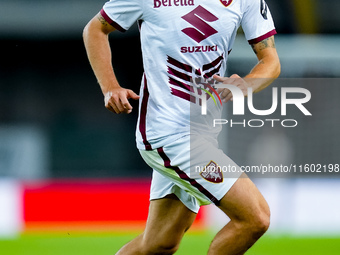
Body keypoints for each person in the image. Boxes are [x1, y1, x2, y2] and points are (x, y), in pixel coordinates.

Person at [83, 0, 280, 254]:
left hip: (203, 133)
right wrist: (110, 87)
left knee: (159, 244)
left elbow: (271, 61)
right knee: (256, 217)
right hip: (168, 134)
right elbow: (95, 29)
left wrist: (247, 84)